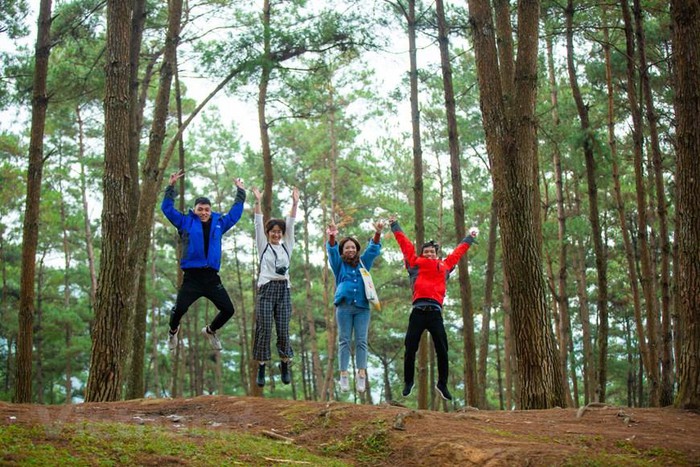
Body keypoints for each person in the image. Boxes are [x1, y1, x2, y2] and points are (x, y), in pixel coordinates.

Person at [388, 214, 477, 401]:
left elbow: (457, 253)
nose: (429, 254)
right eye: (426, 252)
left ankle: (442, 383)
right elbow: (405, 245)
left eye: (432, 252)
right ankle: (408, 382)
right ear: (422, 254)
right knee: (410, 347)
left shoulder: (444, 266)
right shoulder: (415, 264)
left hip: (435, 313)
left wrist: (469, 238)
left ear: (437, 254)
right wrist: (395, 225)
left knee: (442, 349)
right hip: (418, 312)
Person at [161, 169, 246, 352]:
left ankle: (210, 331)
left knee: (228, 310)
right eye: (200, 209)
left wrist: (240, 192)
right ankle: (172, 332)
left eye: (207, 209)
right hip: (192, 277)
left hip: (211, 277)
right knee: (178, 310)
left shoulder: (219, 223)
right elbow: (167, 209)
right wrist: (171, 186)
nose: (204, 212)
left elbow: (235, 214)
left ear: (211, 210)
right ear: (195, 210)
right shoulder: (185, 222)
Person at [326, 219, 384, 393]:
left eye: (353, 247)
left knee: (361, 341)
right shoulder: (339, 265)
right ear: (343, 251)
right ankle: (343, 375)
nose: (350, 250)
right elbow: (332, 252)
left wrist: (378, 232)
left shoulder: (363, 262)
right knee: (344, 340)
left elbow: (373, 249)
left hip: (362, 308)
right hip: (344, 307)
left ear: (357, 249)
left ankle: (361, 374)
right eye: (346, 248)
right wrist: (332, 236)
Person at [252, 186, 299, 387]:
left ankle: (285, 363)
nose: (277, 234)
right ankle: (262, 365)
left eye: (279, 232)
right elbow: (257, 223)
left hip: (284, 291)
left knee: (283, 329)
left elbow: (291, 222)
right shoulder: (263, 246)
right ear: (268, 233)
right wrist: (258, 201)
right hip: (266, 289)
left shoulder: (287, 246)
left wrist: (295, 203)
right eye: (273, 231)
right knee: (264, 328)